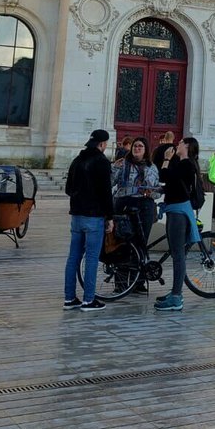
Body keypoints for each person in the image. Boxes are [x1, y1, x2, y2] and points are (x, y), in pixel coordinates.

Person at [64, 130, 114, 311]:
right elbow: (106, 193)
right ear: (102, 144)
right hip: (94, 216)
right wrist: (110, 216)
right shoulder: (101, 162)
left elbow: (68, 189)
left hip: (76, 214)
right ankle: (88, 300)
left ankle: (69, 298)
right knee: (92, 258)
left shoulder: (77, 161)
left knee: (73, 257)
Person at [156, 136, 203, 313]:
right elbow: (172, 184)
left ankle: (177, 296)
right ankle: (175, 292)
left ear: (188, 146)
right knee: (177, 253)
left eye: (181, 143)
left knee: (178, 254)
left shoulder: (187, 164)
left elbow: (165, 176)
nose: (178, 144)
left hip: (179, 212)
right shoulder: (183, 164)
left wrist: (167, 159)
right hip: (175, 208)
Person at [112, 137, 160, 247]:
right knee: (122, 237)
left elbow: (157, 189)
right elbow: (110, 182)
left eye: (140, 146)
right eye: (135, 146)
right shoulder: (122, 164)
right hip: (124, 203)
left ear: (145, 150)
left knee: (142, 238)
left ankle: (139, 260)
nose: (137, 148)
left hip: (144, 204)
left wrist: (151, 193)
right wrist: (115, 168)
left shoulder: (151, 167)